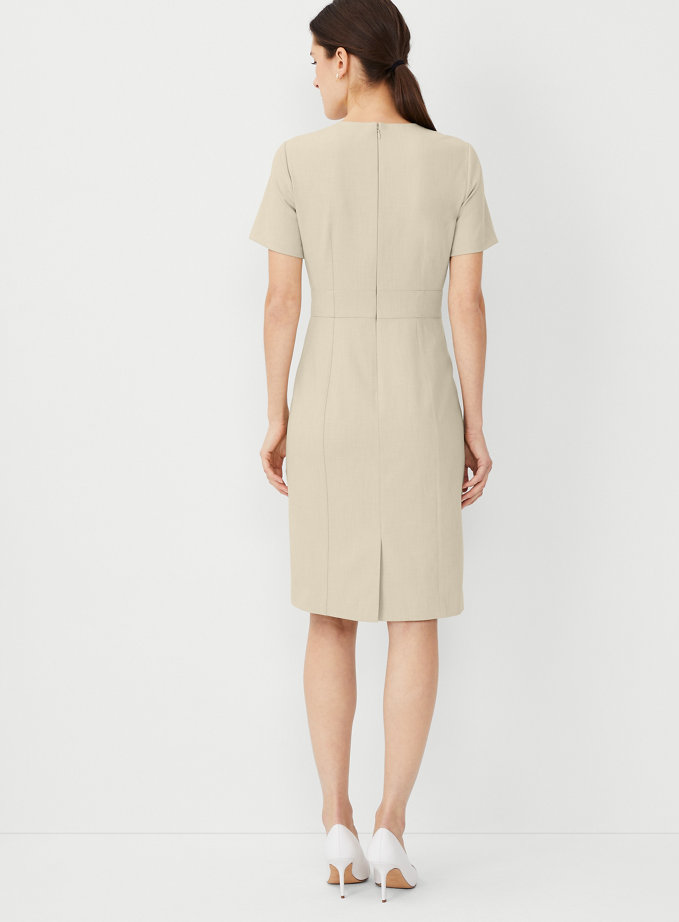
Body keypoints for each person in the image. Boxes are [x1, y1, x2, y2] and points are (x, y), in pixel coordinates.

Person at [248, 0, 498, 901]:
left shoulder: (297, 160)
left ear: (347, 61)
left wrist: (276, 414)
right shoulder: (456, 160)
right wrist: (474, 421)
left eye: (316, 61)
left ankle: (337, 825)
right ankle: (392, 825)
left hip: (330, 397)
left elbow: (282, 304)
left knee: (330, 612)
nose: (313, 77)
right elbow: (466, 304)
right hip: (424, 399)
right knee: (414, 615)